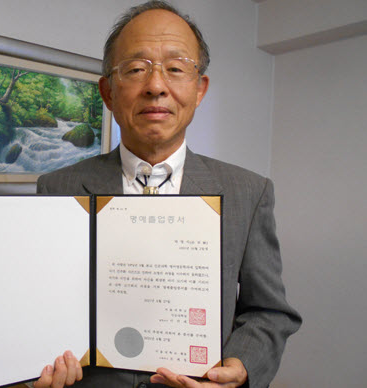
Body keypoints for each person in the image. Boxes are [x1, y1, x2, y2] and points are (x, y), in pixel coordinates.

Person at [34, 2, 301, 387]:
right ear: (108, 91)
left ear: (199, 89)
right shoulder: (57, 189)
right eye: (136, 69)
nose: (156, 86)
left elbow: (269, 312)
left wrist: (242, 367)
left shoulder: (249, 192)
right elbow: (42, 303)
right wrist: (36, 368)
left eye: (175, 69)